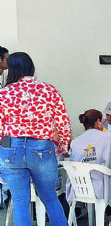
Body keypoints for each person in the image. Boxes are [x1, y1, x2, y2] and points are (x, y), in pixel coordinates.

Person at [0, 52, 70, 225]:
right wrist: (62, 146)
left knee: (20, 202)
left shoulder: (4, 94)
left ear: (12, 69)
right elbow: (62, 122)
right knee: (50, 198)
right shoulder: (49, 90)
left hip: (11, 150)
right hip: (41, 148)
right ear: (31, 67)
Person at [67, 109, 111, 225]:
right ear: (99, 122)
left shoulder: (75, 142)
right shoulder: (109, 137)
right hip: (101, 187)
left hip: (79, 187)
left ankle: (110, 217)